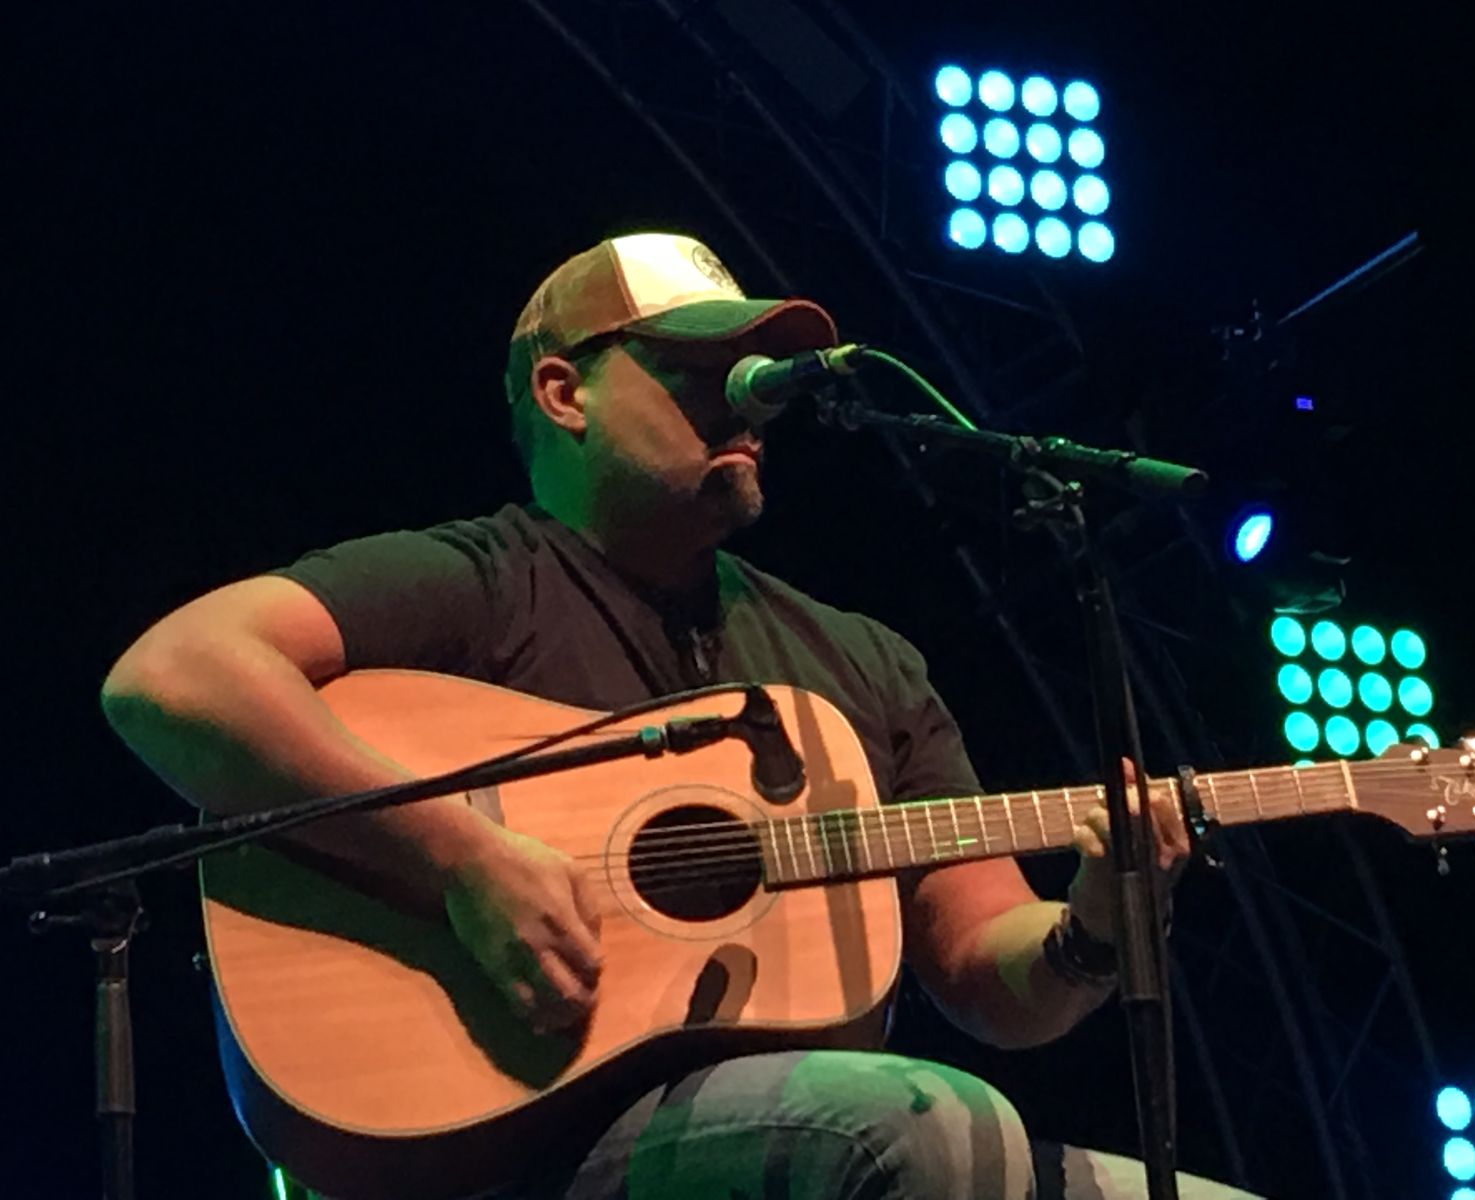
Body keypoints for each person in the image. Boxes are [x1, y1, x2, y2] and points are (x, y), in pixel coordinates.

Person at [101, 232, 1254, 1199]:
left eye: (755, 368)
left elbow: (984, 973)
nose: (747, 396)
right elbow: (174, 676)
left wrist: (1094, 925)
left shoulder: (861, 662)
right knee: (927, 1126)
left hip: (788, 1132)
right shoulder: (483, 582)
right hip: (518, 1147)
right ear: (565, 394)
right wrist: (461, 860)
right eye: (697, 368)